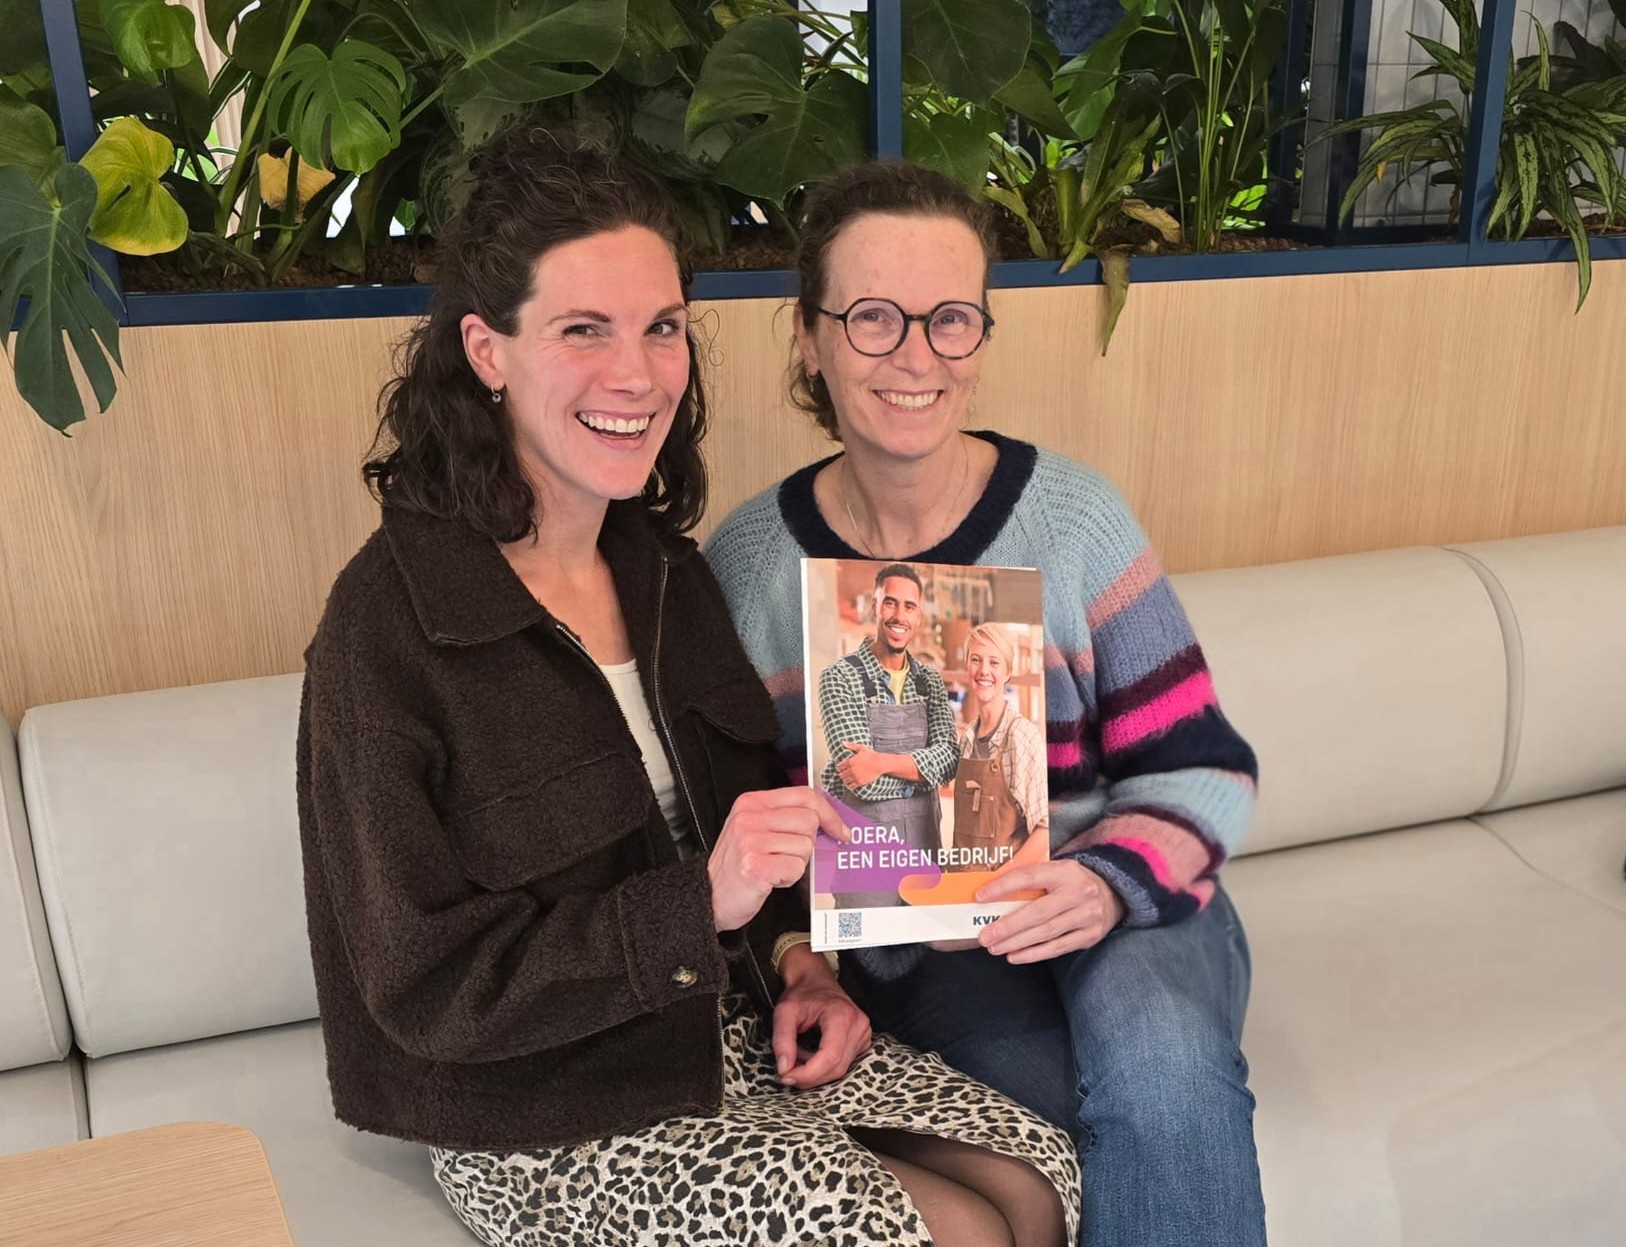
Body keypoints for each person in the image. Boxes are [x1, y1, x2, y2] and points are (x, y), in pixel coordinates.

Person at [295, 129, 1078, 1247]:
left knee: (1036, 1176)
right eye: (584, 330)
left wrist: (801, 967)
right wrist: (695, 908)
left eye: (661, 327)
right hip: (540, 1108)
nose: (639, 373)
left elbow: (748, 831)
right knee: (921, 1227)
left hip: (724, 1026)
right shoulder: (388, 630)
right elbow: (424, 986)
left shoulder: (663, 570)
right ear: (486, 349)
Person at [704, 160, 1266, 1247]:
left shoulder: (1076, 521)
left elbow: (1203, 763)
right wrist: (809, 947)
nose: (916, 355)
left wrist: (1106, 883)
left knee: (1162, 1073)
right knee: (1060, 1133)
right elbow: (737, 821)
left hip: (1120, 902)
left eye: (951, 318)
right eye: (873, 317)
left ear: (981, 335)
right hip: (927, 944)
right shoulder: (752, 569)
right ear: (809, 337)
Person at [816, 562, 957, 905]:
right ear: (875, 606)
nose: (899, 615)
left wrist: (880, 763)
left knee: (925, 936)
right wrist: (924, 777)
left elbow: (950, 760)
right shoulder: (839, 677)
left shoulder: (930, 682)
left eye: (909, 606)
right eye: (890, 602)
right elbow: (861, 779)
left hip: (924, 848)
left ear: (918, 615)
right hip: (865, 854)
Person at [951, 623, 1048, 871]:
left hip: (1003, 889)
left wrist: (999, 882)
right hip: (961, 885)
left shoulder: (1021, 736)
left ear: (1007, 672)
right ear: (967, 666)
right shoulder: (966, 738)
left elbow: (1045, 831)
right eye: (976, 660)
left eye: (994, 662)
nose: (984, 670)